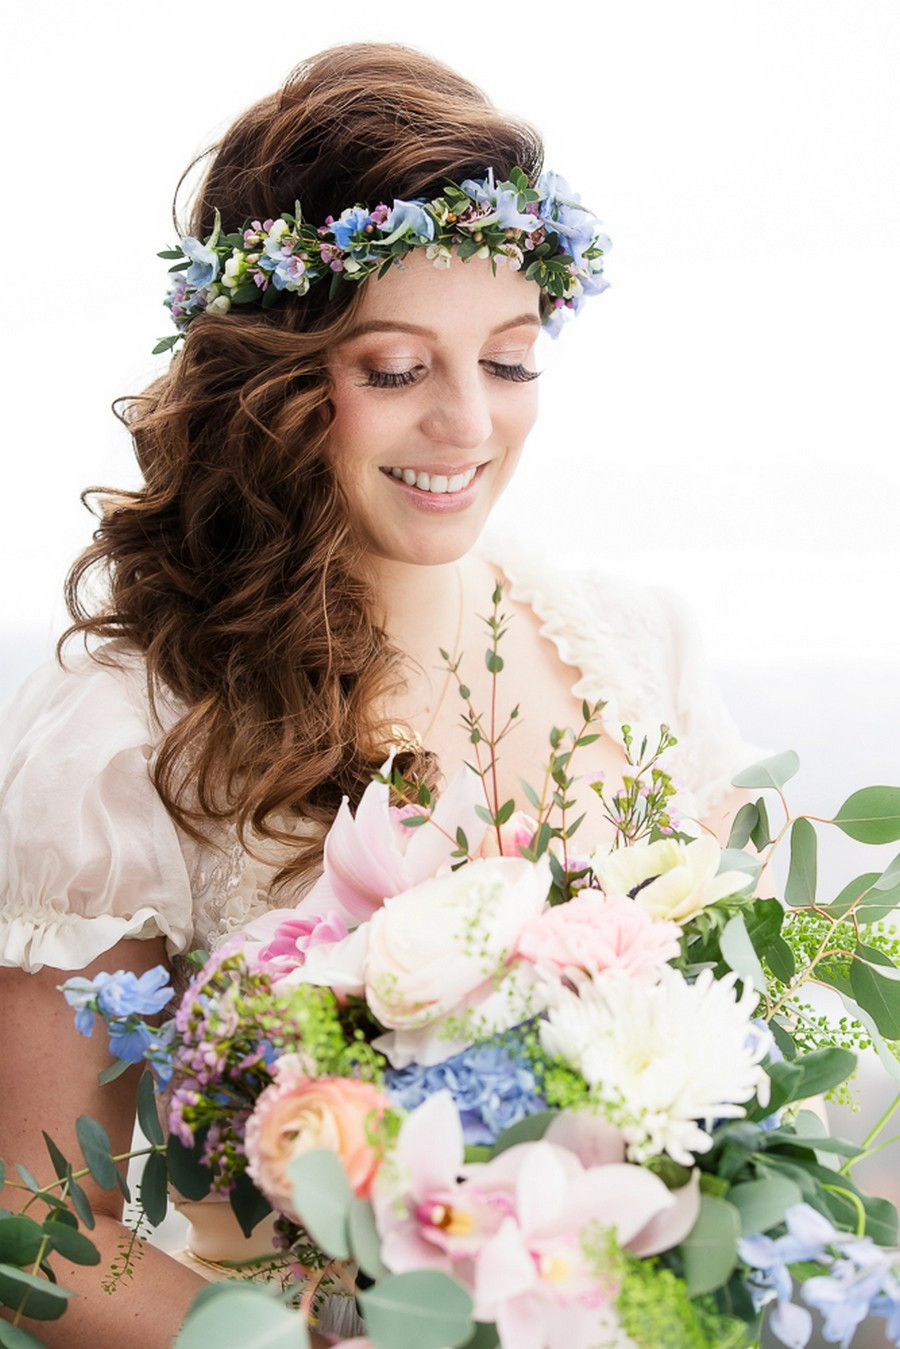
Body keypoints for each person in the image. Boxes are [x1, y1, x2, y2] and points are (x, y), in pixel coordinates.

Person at [0, 42, 756, 1347]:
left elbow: (745, 1086)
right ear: (276, 378)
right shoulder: (128, 734)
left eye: (510, 359)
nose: (467, 422)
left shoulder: (645, 655)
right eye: (399, 368)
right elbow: (34, 1230)